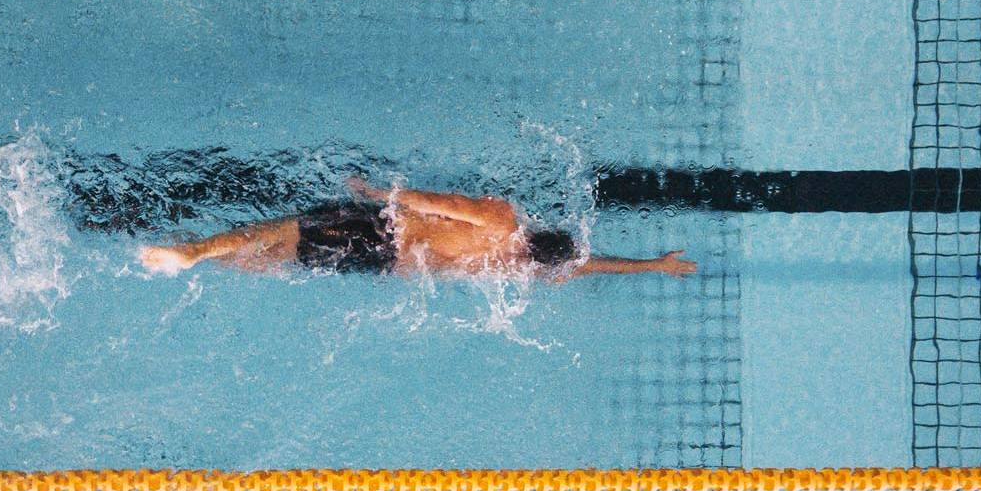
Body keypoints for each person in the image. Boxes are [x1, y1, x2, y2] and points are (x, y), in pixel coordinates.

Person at [138, 176, 697, 280]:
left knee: (279, 230)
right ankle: (206, 261)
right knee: (276, 259)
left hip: (383, 232)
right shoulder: (514, 268)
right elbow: (582, 266)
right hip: (383, 265)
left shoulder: (505, 223)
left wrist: (384, 195)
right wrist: (652, 265)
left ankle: (193, 250)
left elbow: (444, 202)